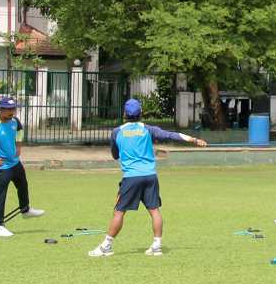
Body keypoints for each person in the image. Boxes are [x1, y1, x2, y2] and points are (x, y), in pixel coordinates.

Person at [89, 98, 207, 257]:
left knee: (118, 212)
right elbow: (170, 135)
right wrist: (193, 139)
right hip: (150, 176)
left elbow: (115, 155)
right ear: (141, 113)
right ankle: (157, 245)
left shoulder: (117, 132)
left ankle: (106, 247)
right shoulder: (148, 129)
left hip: (131, 177)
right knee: (154, 210)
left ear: (124, 114)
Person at [0, 96, 45, 237]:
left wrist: (18, 144)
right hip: (1, 168)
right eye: (9, 110)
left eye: (14, 109)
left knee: (23, 186)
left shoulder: (14, 121)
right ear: (1, 110)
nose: (13, 112)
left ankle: (25, 210)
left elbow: (19, 128)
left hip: (15, 164)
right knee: (0, 197)